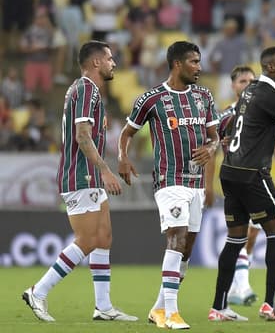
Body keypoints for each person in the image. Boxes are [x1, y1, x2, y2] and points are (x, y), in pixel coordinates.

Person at [22, 41, 137, 323]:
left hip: (90, 175)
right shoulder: (86, 88)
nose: (114, 63)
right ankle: (38, 291)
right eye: (110, 59)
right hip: (80, 175)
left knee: (104, 237)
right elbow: (82, 136)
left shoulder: (87, 90)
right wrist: (106, 170)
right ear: (96, 62)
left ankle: (103, 307)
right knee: (87, 240)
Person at [118, 41, 219, 329]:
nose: (199, 67)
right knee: (176, 237)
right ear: (177, 64)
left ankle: (158, 309)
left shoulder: (203, 96)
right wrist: (123, 159)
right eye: (194, 62)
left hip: (196, 183)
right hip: (169, 180)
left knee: (186, 249)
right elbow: (126, 133)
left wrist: (211, 150)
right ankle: (172, 314)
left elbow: (214, 137)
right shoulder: (152, 99)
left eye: (199, 62)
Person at [208, 46, 275, 322]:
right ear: (270, 67)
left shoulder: (251, 90)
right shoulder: (269, 94)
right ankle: (270, 304)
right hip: (253, 172)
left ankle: (218, 306)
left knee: (235, 239)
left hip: (230, 171)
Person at [217, 65, 261, 307]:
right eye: (242, 81)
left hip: (259, 178)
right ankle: (240, 286)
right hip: (236, 181)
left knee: (250, 236)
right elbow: (213, 145)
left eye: (251, 81)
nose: (247, 85)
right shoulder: (226, 116)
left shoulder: (263, 112)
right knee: (241, 235)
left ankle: (237, 287)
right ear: (233, 86)